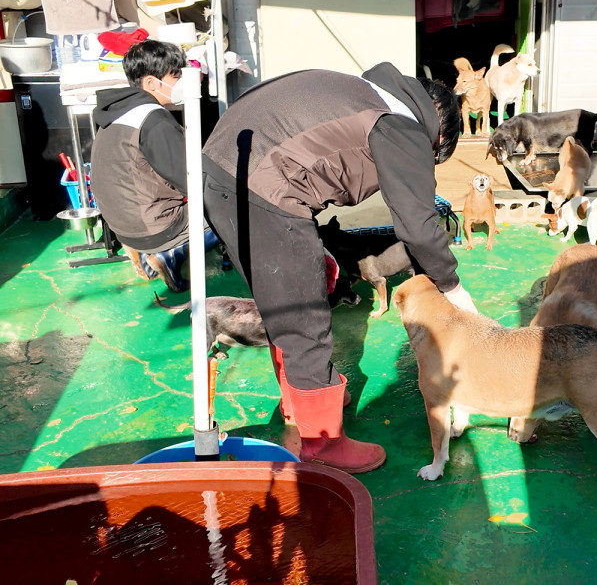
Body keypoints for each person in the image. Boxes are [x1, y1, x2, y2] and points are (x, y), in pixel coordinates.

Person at [201, 62, 477, 474]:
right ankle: (320, 443)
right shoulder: (402, 124)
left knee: (284, 303)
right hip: (264, 189)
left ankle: (303, 400)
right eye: (435, 156)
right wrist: (454, 290)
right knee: (304, 317)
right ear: (439, 134)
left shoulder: (366, 93)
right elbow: (418, 223)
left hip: (228, 175)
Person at [89, 39, 218, 292]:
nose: (181, 83)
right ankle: (171, 255)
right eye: (175, 76)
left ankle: (148, 257)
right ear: (151, 83)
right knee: (231, 206)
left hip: (121, 227)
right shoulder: (153, 119)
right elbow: (192, 179)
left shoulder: (115, 113)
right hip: (153, 227)